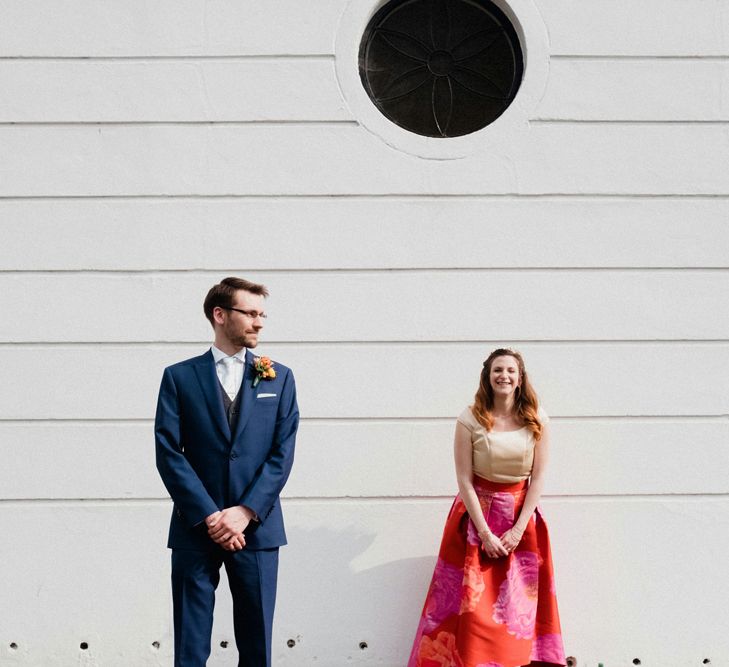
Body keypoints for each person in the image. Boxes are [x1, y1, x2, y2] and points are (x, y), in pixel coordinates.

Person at [155, 277, 299, 667]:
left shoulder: (279, 377)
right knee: (190, 645)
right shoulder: (179, 377)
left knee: (256, 645)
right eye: (250, 313)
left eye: (262, 314)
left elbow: (282, 453)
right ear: (220, 315)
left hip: (257, 528)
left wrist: (245, 511)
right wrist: (211, 515)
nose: (259, 323)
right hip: (195, 526)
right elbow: (169, 452)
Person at [407, 348, 565, 667]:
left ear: (520, 379)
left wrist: (518, 529)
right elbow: (464, 480)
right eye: (497, 370)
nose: (503, 376)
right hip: (476, 519)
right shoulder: (470, 419)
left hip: (522, 521)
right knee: (471, 610)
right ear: (487, 376)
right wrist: (485, 533)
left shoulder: (537, 419)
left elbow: (538, 477)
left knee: (519, 608)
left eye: (510, 371)